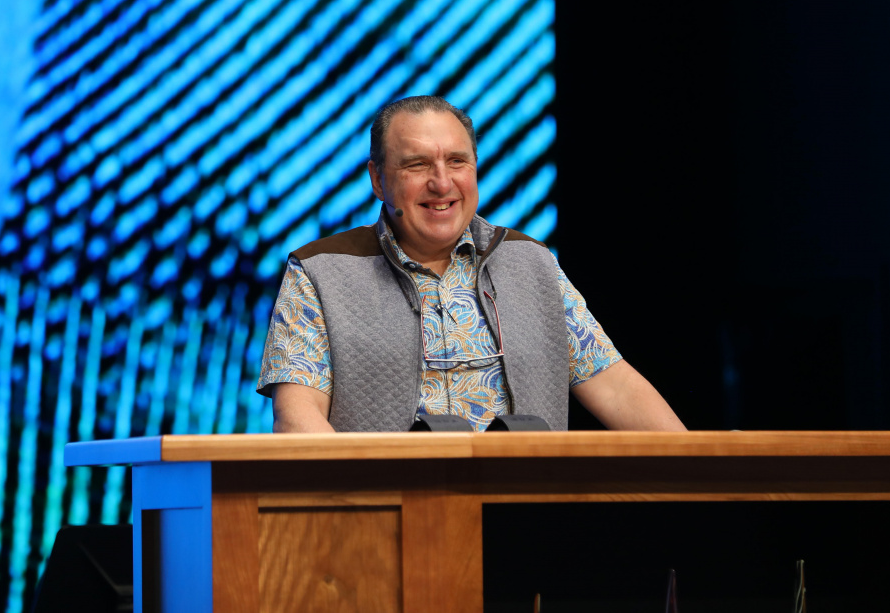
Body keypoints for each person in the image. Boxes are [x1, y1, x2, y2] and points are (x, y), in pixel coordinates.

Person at [256, 95, 685, 433]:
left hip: (526, 510)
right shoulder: (320, 272)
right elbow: (298, 418)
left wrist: (700, 471)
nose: (442, 182)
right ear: (377, 179)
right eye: (417, 165)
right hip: (385, 511)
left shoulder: (531, 263)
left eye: (457, 162)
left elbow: (616, 388)